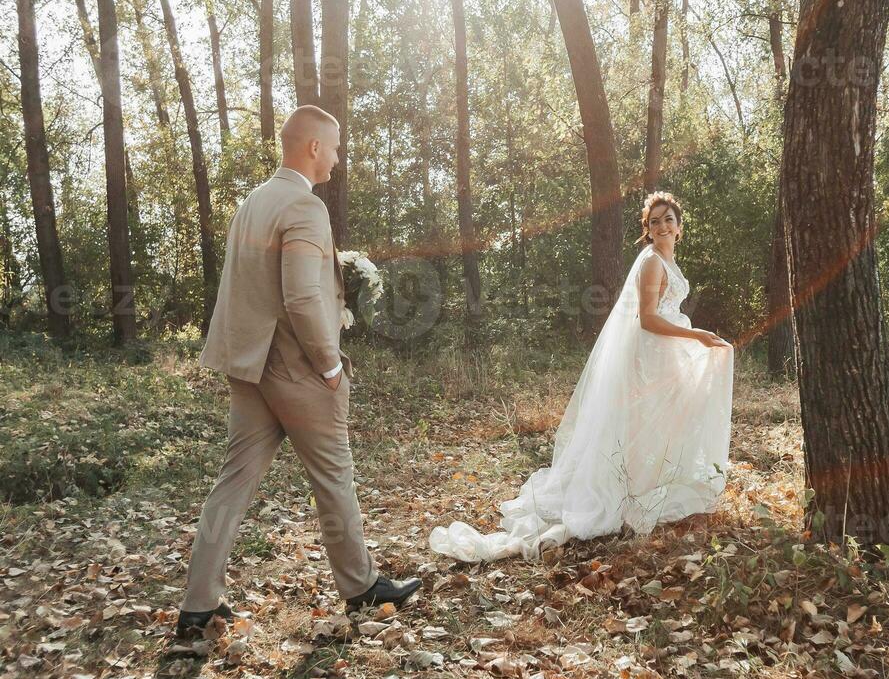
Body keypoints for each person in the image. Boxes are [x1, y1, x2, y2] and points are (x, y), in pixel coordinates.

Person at [176, 105, 420, 640]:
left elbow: (250, 288)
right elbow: (302, 295)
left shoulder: (253, 204)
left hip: (249, 365)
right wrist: (330, 363)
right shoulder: (305, 208)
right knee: (334, 475)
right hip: (295, 367)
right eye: (333, 147)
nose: (337, 156)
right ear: (312, 147)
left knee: (233, 482)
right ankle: (360, 587)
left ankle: (197, 606)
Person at [430, 191, 734, 561]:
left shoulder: (668, 258)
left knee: (656, 424)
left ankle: (645, 482)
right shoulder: (652, 262)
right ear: (647, 229)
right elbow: (649, 319)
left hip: (665, 354)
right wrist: (697, 335)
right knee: (639, 424)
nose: (662, 226)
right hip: (651, 353)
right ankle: (618, 494)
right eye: (654, 221)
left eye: (668, 219)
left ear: (679, 227)